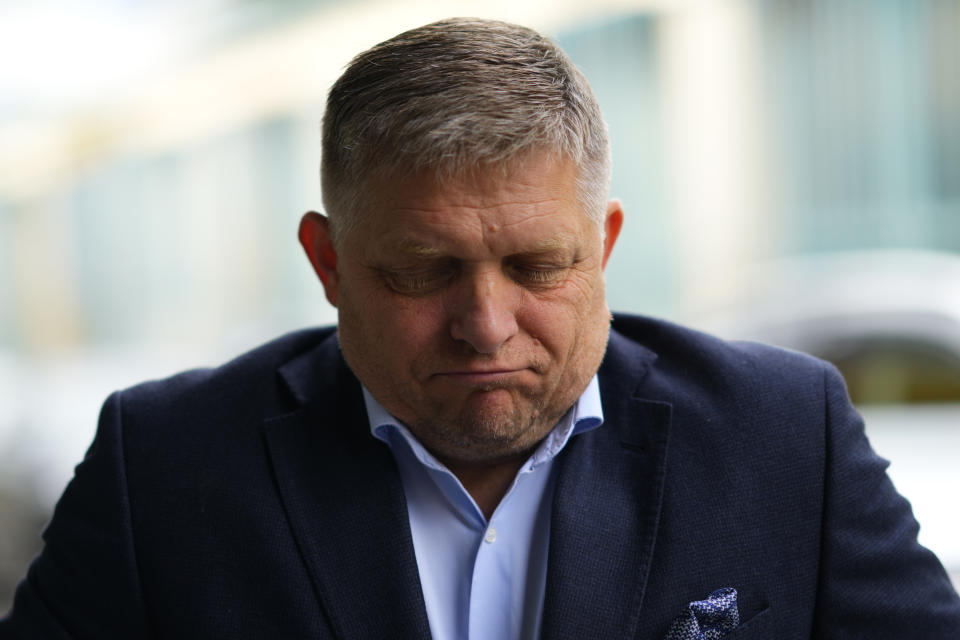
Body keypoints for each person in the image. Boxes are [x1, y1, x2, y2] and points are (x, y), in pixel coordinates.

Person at [2, 17, 959, 640]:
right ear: (327, 264)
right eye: (424, 272)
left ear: (605, 245)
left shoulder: (786, 434)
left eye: (539, 267)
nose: (486, 325)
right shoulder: (161, 467)